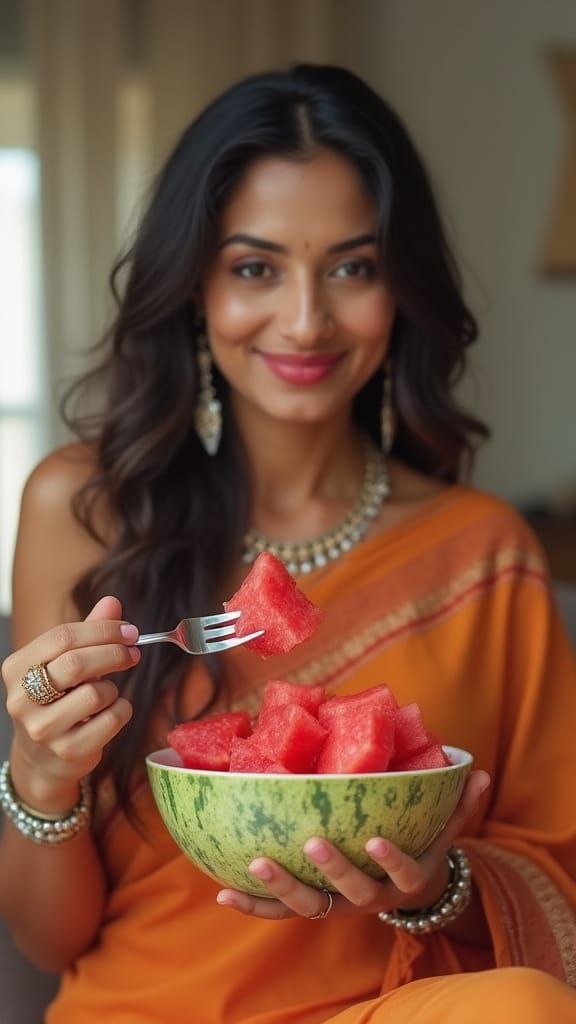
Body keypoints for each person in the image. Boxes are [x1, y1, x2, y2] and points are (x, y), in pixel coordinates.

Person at [1, 63, 575, 1024]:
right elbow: (49, 942)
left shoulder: (487, 552)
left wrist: (433, 885)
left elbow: (559, 876)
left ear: (400, 288)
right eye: (255, 267)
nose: (306, 319)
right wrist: (41, 773)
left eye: (352, 266)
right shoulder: (85, 507)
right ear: (194, 287)